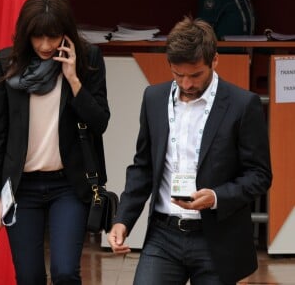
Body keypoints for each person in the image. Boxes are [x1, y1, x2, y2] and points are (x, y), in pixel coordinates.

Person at [108, 16, 272, 285]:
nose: (186, 84)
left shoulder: (243, 105)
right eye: (177, 75)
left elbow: (260, 175)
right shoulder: (153, 98)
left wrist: (216, 197)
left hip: (216, 238)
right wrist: (122, 220)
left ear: (214, 60)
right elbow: (143, 167)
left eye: (195, 75)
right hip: (164, 234)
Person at [0, 0, 110, 285]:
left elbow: (100, 122)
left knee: (64, 272)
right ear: (25, 34)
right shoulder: (5, 62)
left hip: (68, 185)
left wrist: (73, 79)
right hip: (22, 188)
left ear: (66, 32)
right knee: (30, 276)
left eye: (53, 36)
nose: (46, 46)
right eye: (37, 37)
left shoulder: (88, 59)